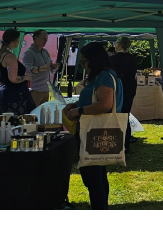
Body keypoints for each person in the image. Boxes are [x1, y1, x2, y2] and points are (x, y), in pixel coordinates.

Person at [62, 42, 123, 210]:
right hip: (95, 129)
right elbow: (95, 99)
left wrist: (79, 111)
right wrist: (76, 104)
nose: (83, 65)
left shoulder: (104, 76)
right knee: (97, 175)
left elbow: (105, 104)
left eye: (84, 62)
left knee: (93, 177)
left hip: (95, 130)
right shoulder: (103, 75)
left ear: (94, 60)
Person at [0, 29, 34, 116]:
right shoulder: (10, 56)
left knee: (6, 120)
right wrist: (26, 77)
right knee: (16, 120)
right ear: (15, 40)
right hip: (13, 94)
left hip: (3, 90)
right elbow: (13, 78)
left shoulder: (1, 54)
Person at [110, 37, 139, 148]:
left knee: (116, 116)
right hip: (130, 89)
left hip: (118, 90)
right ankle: (125, 143)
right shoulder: (133, 58)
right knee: (125, 115)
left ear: (119, 45)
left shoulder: (113, 59)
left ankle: (118, 142)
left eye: (116, 43)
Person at [22, 29, 59, 107]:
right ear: (35, 38)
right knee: (33, 114)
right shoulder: (28, 53)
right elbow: (27, 70)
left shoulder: (45, 51)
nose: (45, 41)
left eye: (46, 39)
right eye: (43, 38)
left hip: (46, 89)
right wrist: (40, 68)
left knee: (43, 115)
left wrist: (53, 67)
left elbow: (49, 67)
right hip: (35, 90)